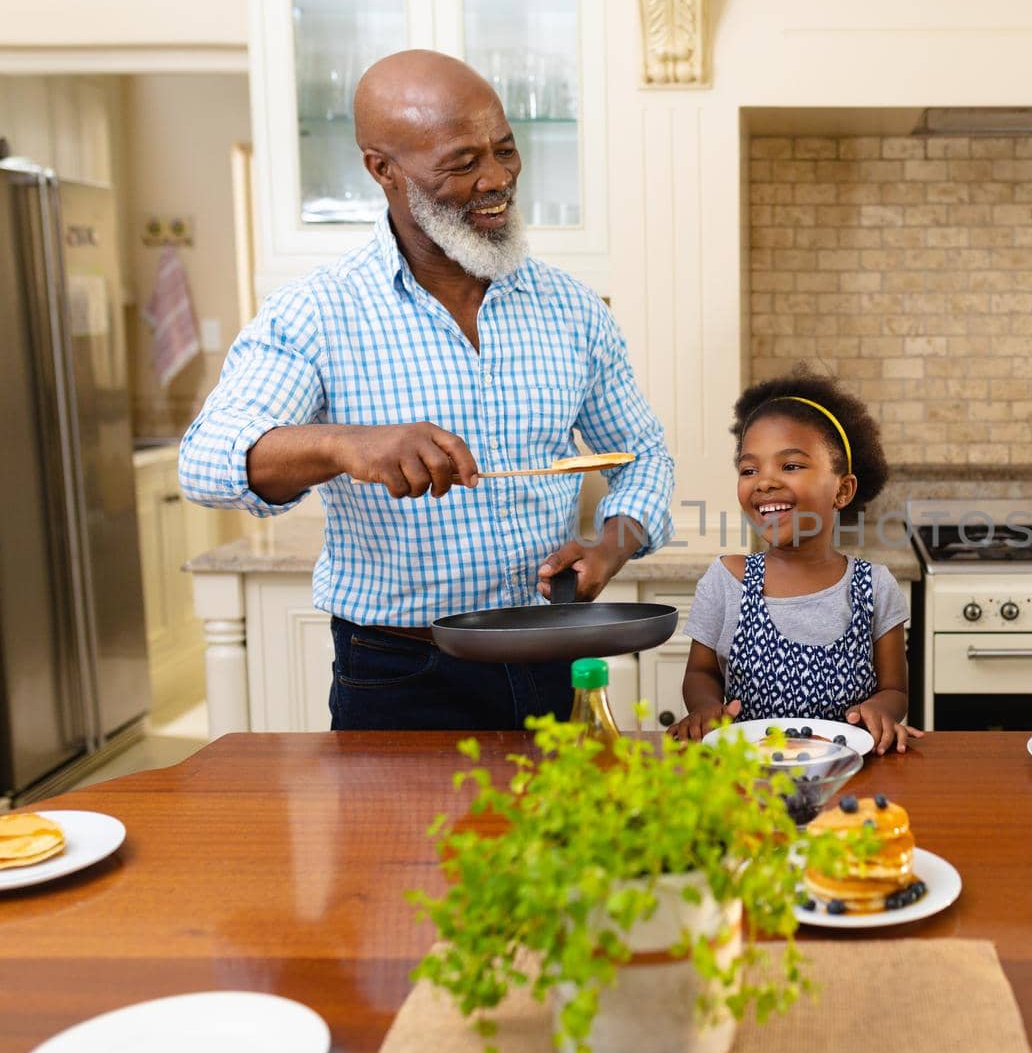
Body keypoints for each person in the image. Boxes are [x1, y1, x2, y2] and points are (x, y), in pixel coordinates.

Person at [179, 50, 673, 731]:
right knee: (401, 846)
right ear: (383, 170)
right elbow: (206, 460)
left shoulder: (573, 308)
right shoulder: (317, 312)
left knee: (566, 839)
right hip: (399, 672)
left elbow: (643, 454)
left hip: (554, 656)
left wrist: (613, 543)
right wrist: (347, 445)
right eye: (461, 163)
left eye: (504, 150)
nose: (497, 179)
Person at [667, 368, 922, 754]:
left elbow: (895, 689)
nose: (764, 481)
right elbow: (700, 673)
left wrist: (881, 709)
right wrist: (705, 709)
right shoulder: (726, 581)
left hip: (847, 776)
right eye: (749, 469)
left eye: (790, 466)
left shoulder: (875, 586)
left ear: (842, 489)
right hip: (748, 777)